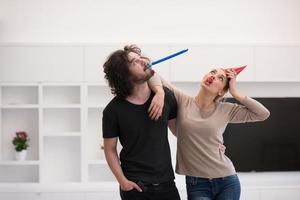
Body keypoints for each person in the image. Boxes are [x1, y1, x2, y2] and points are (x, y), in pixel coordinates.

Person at [148, 67, 270, 200]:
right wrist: (157, 87)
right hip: (197, 184)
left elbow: (263, 114)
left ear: (221, 91)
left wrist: (235, 92)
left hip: (227, 181)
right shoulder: (183, 100)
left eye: (220, 78)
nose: (213, 76)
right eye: (213, 72)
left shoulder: (226, 109)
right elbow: (153, 74)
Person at [102, 45, 181, 200]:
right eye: (135, 62)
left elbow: (180, 132)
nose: (144, 62)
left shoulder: (166, 97)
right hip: (135, 187)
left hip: (167, 184)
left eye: (141, 58)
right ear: (124, 75)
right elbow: (110, 149)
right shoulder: (112, 110)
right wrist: (123, 182)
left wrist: (211, 142)